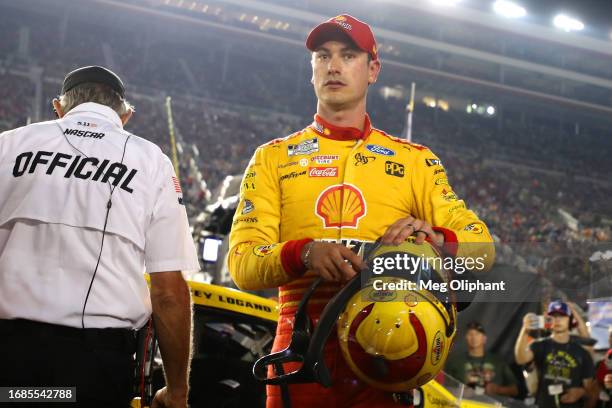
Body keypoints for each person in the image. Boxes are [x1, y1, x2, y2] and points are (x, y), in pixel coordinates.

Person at [228, 14, 495, 407]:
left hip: (392, 351)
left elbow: (482, 249)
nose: (333, 66)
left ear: (372, 70)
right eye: (323, 55)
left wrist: (435, 242)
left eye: (348, 55)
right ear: (312, 69)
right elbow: (242, 263)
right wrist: (304, 252)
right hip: (301, 352)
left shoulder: (416, 161)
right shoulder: (272, 158)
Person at [0, 66, 199, 408]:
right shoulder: (151, 161)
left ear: (58, 108)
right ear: (126, 115)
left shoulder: (8, 144)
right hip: (95, 367)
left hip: (9, 359)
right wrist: (177, 389)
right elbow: (168, 291)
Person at [515, 301, 594, 408]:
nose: (557, 320)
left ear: (570, 320)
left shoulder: (582, 352)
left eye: (562, 316)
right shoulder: (539, 345)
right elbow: (520, 359)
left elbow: (590, 391)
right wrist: (525, 330)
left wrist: (581, 392)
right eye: (553, 316)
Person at [444, 321, 518, 398]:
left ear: (484, 338)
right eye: (470, 334)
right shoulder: (455, 361)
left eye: (477, 334)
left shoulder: (498, 361)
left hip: (491, 404)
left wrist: (498, 389)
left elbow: (515, 390)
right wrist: (461, 392)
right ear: (466, 337)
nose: (474, 337)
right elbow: (444, 388)